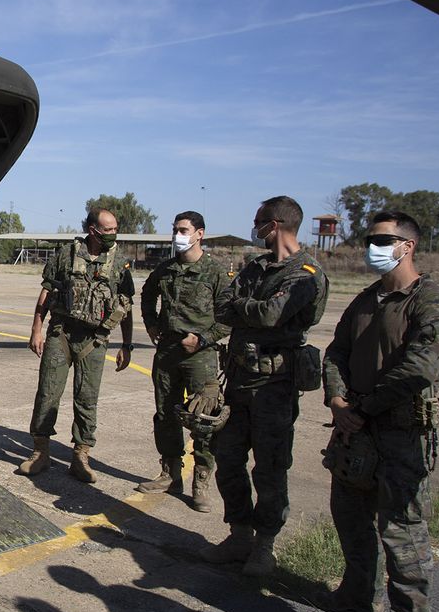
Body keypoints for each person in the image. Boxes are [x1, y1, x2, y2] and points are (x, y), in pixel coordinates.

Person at [321, 211, 439, 612]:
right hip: (354, 431)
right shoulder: (365, 300)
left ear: (408, 246)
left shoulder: (432, 302)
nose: (372, 247)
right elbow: (336, 353)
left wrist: (363, 407)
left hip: (401, 433)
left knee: (402, 526)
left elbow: (421, 368)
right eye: (370, 239)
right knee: (350, 515)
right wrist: (338, 401)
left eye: (383, 239)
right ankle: (358, 592)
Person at [200, 195, 328, 576]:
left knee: (270, 468)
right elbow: (221, 307)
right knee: (229, 459)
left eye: (258, 221)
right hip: (239, 380)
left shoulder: (305, 272)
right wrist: (247, 307)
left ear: (274, 224)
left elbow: (272, 314)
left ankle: (264, 545)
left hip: (274, 385)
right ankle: (239, 536)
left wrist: (244, 306)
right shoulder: (256, 267)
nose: (254, 228)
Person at [16, 208, 136, 483]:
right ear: (93, 230)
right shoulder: (67, 255)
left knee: (87, 399)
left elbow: (126, 306)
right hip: (61, 334)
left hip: (94, 341)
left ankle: (81, 456)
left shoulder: (120, 262)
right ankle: (40, 452)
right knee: (47, 393)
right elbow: (46, 291)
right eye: (108, 230)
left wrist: (127, 345)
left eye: (115, 229)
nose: (113, 234)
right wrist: (36, 329)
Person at [139, 211, 232, 510]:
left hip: (200, 357)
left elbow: (229, 318)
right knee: (165, 415)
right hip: (167, 353)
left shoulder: (215, 273)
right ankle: (170, 473)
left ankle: (201, 481)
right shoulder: (166, 269)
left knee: (203, 419)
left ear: (199, 234)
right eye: (175, 229)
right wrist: (151, 324)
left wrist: (203, 339)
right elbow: (147, 294)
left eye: (183, 230)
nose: (177, 235)